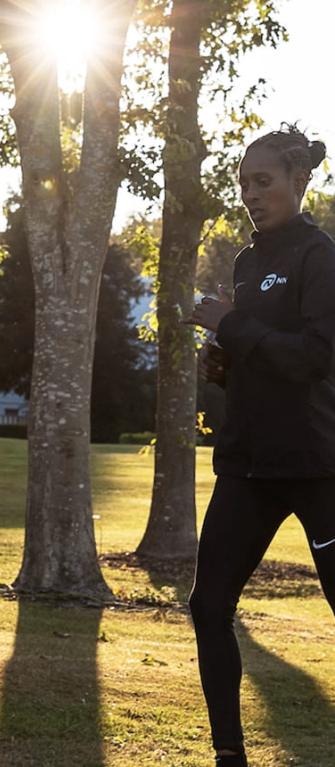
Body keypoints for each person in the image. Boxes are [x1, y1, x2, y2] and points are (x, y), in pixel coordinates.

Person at [186, 124, 335, 767]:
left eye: (263, 181)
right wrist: (219, 360)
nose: (250, 193)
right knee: (208, 603)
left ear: (299, 183)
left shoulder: (319, 257)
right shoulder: (247, 263)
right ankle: (229, 755)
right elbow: (253, 352)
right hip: (247, 464)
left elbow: (313, 357)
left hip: (315, 463)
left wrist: (231, 325)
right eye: (244, 182)